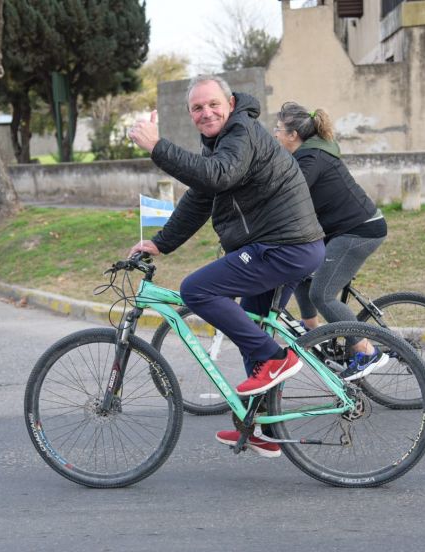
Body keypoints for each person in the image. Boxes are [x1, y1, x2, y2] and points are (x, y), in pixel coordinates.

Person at [128, 75, 325, 458]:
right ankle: (264, 427)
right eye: (197, 108)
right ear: (190, 115)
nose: (206, 113)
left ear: (230, 103)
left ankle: (279, 358)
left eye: (213, 104)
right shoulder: (221, 143)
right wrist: (160, 242)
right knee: (251, 329)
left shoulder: (242, 132)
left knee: (196, 289)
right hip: (281, 246)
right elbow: (202, 197)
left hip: (284, 246)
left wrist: (157, 147)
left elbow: (218, 175)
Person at [274, 101, 388, 381]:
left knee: (322, 294)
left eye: (278, 129)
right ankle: (314, 332)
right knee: (302, 270)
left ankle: (365, 350)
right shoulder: (307, 155)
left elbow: (287, 197)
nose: (275, 134)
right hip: (341, 229)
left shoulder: (310, 159)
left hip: (358, 231)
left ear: (292, 135)